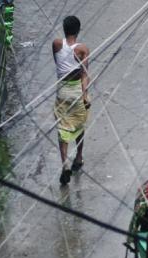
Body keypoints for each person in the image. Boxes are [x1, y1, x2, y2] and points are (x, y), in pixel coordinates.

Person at [52, 15, 91, 185]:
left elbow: (58, 65)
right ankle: (79, 157)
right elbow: (84, 75)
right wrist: (84, 96)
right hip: (75, 90)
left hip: (62, 90)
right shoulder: (82, 49)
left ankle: (64, 164)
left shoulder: (56, 44)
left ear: (64, 29)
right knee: (79, 124)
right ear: (78, 30)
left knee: (63, 127)